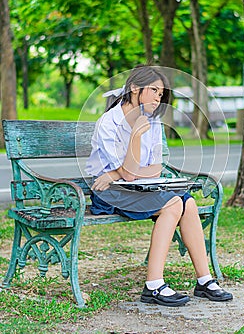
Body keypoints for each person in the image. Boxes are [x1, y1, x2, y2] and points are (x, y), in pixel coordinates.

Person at [86, 65, 233, 307]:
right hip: (110, 193)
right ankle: (153, 285)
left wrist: (117, 172)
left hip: (140, 187)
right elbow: (130, 175)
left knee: (188, 202)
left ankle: (204, 280)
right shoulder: (109, 123)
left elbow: (153, 168)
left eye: (161, 93)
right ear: (134, 88)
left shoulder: (151, 121)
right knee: (174, 203)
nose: (159, 97)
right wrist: (133, 139)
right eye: (154, 90)